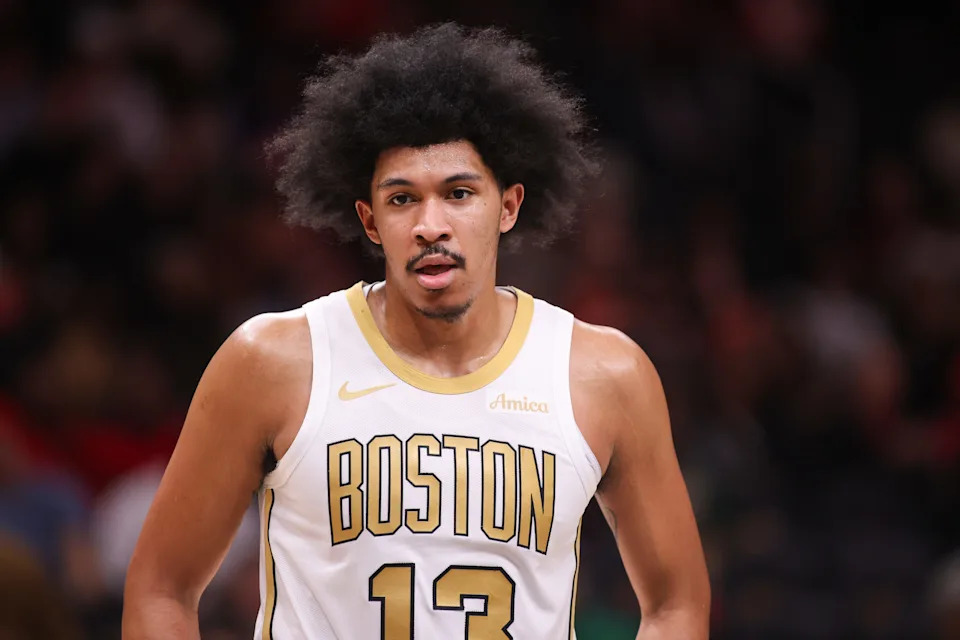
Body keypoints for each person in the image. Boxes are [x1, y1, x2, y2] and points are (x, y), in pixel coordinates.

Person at [123, 23, 710, 639]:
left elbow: (676, 605)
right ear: (370, 220)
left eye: (459, 193)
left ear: (507, 207)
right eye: (402, 199)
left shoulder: (605, 375)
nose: (432, 224)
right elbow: (161, 589)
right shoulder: (272, 360)